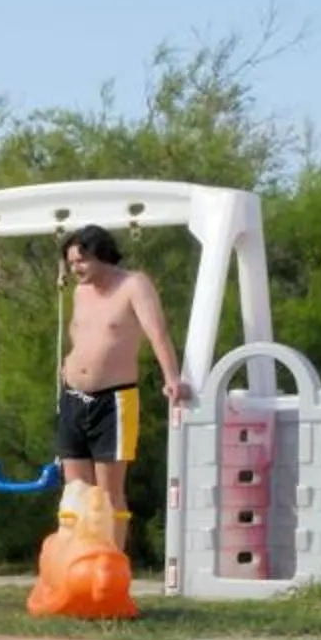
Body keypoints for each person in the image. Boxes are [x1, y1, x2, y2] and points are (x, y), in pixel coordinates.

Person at [59, 224, 188, 552]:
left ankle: (110, 564)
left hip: (113, 399)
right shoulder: (79, 292)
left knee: (108, 493)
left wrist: (171, 378)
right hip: (73, 395)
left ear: (102, 254)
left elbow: (157, 333)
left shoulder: (133, 285)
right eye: (71, 263)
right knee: (75, 490)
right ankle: (77, 562)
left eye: (82, 261)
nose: (76, 269)